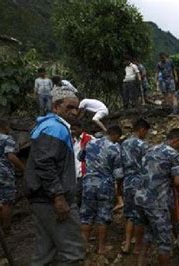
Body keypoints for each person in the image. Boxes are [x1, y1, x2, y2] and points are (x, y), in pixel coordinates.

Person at [24, 89, 85, 265]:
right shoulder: (55, 128)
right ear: (56, 106)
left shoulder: (48, 126)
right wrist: (58, 197)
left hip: (42, 199)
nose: (74, 112)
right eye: (70, 107)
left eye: (77, 108)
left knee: (45, 252)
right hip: (51, 200)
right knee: (72, 252)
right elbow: (45, 163)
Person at [134, 128, 179, 266]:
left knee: (148, 233)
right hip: (157, 203)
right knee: (165, 242)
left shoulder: (150, 149)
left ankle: (140, 263)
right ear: (175, 141)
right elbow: (178, 181)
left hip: (140, 199)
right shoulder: (173, 154)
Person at [79, 124, 123, 255]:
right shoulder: (115, 148)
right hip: (105, 185)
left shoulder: (90, 143)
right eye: (117, 138)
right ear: (114, 135)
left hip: (88, 184)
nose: (117, 140)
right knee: (103, 217)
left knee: (86, 217)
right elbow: (119, 174)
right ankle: (101, 248)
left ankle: (83, 247)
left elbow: (80, 158)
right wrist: (119, 190)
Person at [120, 118, 151, 254]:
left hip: (127, 181)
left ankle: (127, 244)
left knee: (129, 215)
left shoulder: (124, 143)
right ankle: (138, 247)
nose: (146, 135)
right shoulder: (143, 145)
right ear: (142, 130)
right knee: (139, 216)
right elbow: (148, 165)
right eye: (146, 132)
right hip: (139, 182)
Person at [70, 119, 93, 207]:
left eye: (74, 129)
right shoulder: (73, 140)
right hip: (75, 174)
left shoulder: (89, 139)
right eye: (71, 129)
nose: (72, 131)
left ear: (81, 129)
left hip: (85, 173)